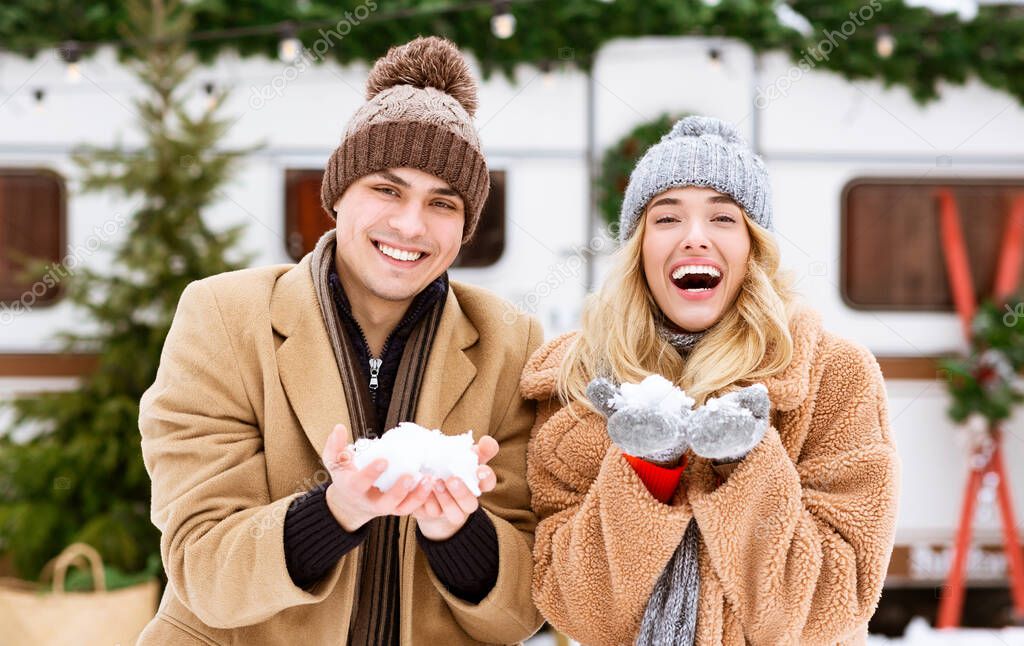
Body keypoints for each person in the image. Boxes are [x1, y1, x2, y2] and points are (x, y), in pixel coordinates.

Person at [137, 36, 543, 645]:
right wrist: (334, 512)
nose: (410, 224)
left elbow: (519, 615)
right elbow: (202, 567)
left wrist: (459, 532)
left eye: (443, 202)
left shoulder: (509, 343)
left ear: (465, 227)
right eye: (386, 189)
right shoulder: (223, 315)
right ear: (338, 195)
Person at [522, 116, 900, 645]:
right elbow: (575, 609)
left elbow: (830, 607)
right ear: (639, 248)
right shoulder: (579, 380)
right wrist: (647, 469)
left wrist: (742, 466)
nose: (695, 238)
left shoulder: (833, 375)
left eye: (723, 218)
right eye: (667, 218)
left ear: (753, 247)